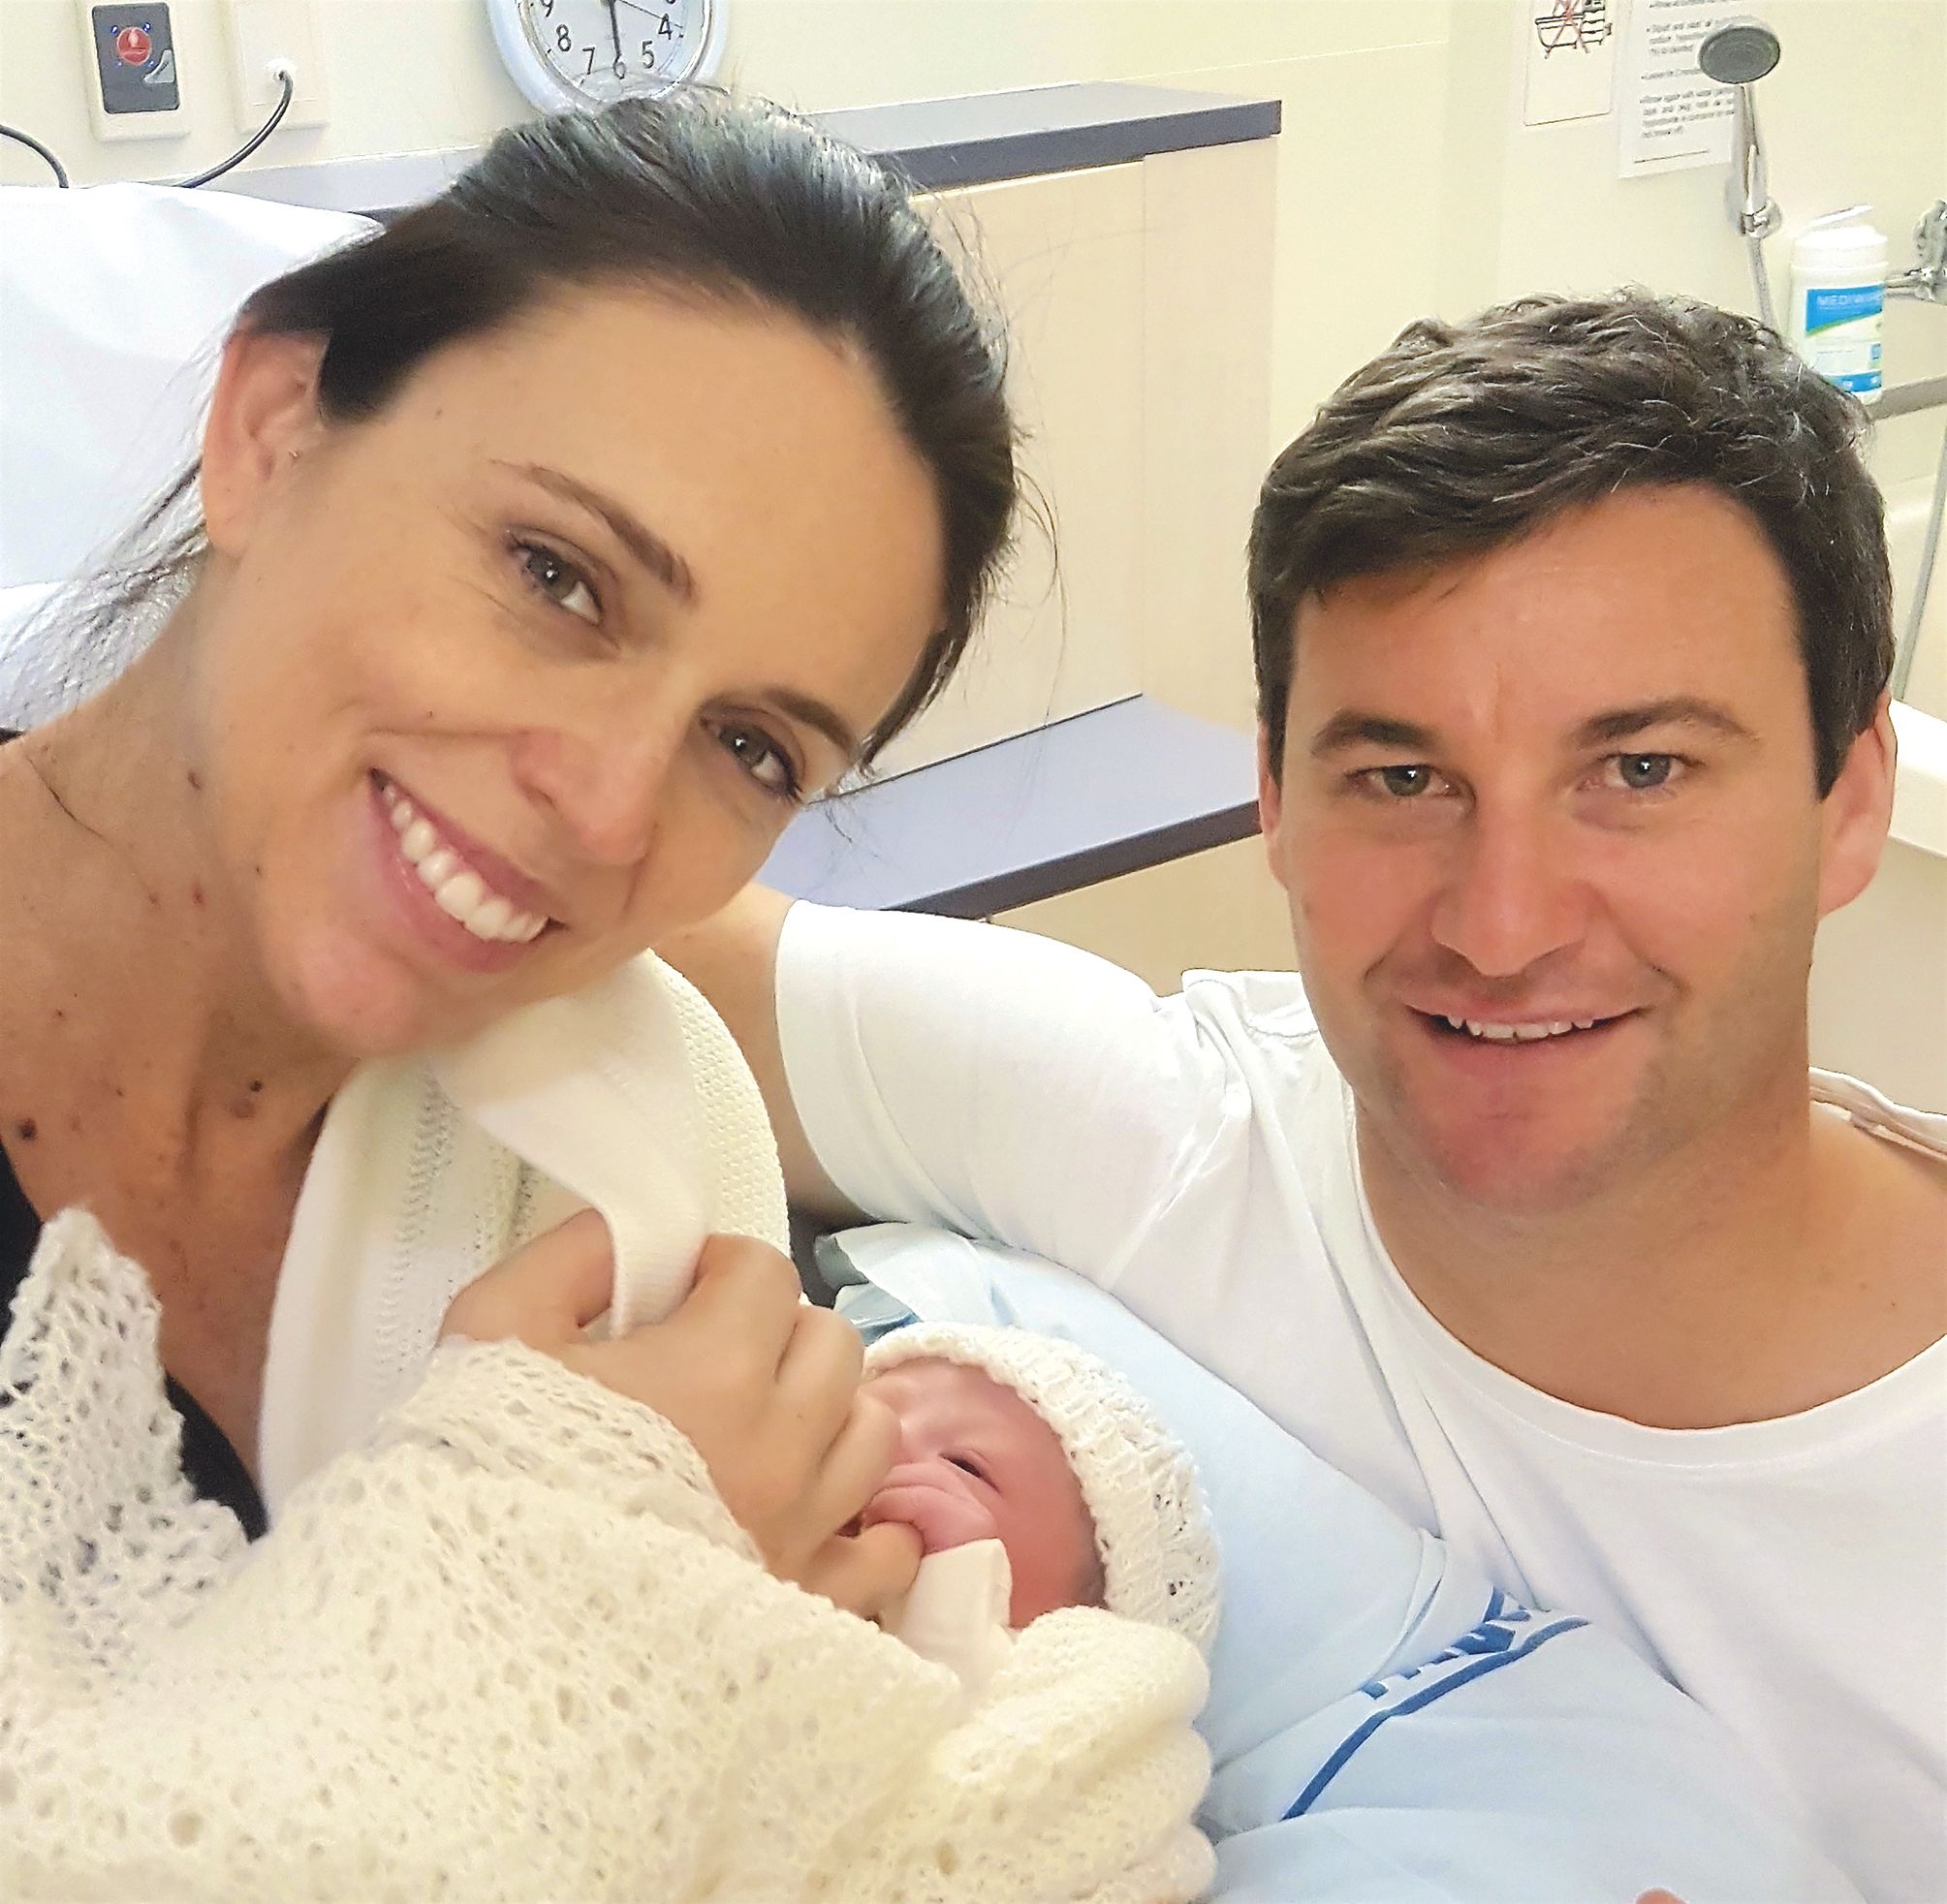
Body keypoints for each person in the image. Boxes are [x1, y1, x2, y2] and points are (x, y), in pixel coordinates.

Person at [661, 292, 1947, 1902]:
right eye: (1400, 779)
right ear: (1273, 796)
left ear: (1848, 802)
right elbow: (570, 899)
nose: (1499, 925)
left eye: (1637, 771)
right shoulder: (1155, 1132)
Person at [0, 82, 1019, 1764]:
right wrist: (546, 1616)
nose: (608, 814)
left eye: (751, 748)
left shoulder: (642, 1150)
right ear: (270, 430)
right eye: (558, 576)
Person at [2, 1231, 1219, 1898]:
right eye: (854, 1417)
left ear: (1083, 1604)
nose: (869, 1457)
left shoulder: (1046, 1683)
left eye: (966, 1468)